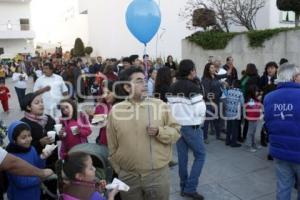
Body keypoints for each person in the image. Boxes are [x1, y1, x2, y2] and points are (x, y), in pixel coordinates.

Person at [107, 67, 180, 200]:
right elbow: (112, 145)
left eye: (145, 80)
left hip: (157, 176)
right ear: (127, 88)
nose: (145, 84)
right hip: (128, 177)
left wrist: (159, 131)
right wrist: (120, 171)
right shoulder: (116, 111)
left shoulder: (160, 106)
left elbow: (176, 132)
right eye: (139, 81)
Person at [167, 59, 206, 200]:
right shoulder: (193, 87)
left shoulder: (172, 87)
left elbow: (168, 109)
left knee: (183, 158)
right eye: (194, 69)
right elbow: (200, 109)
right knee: (200, 155)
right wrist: (199, 119)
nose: (196, 71)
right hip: (191, 126)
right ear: (191, 71)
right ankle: (190, 188)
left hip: (177, 127)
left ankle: (184, 187)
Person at [264, 63, 300, 200]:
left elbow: (267, 123)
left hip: (279, 151)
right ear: (294, 77)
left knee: (283, 187)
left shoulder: (269, 97)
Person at [6, 121, 54, 200]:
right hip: (20, 195)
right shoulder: (11, 157)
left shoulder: (32, 149)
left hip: (35, 192)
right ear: (14, 140)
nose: (28, 139)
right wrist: (42, 177)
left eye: (29, 135)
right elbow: (21, 183)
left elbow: (37, 168)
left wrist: (42, 157)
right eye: (23, 137)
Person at [87, 80, 115, 145]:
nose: (105, 96)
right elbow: (94, 122)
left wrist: (98, 118)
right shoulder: (101, 105)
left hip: (116, 142)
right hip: (104, 140)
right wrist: (91, 116)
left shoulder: (121, 106)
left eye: (108, 93)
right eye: (104, 93)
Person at [225, 80, 244, 147]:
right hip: (235, 113)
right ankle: (233, 143)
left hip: (228, 112)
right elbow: (242, 104)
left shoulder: (229, 91)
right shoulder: (240, 93)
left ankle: (227, 141)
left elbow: (226, 99)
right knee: (235, 128)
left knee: (229, 127)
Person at [245, 85, 262, 152]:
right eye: (256, 91)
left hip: (255, 117)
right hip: (252, 117)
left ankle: (253, 144)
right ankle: (249, 146)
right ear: (252, 92)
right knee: (250, 132)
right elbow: (255, 107)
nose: (257, 92)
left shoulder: (254, 98)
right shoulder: (250, 99)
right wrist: (259, 101)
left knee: (253, 131)